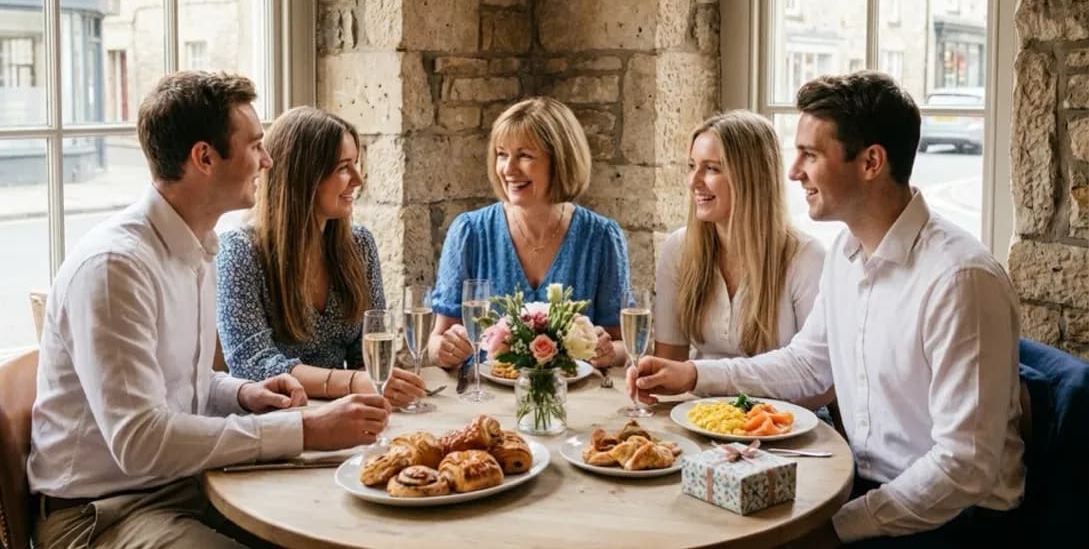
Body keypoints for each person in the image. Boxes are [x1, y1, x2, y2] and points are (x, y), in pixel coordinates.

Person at [628, 71, 1024, 547]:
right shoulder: (847, 254)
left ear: (871, 162)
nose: (793, 172)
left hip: (953, 519)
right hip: (864, 486)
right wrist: (692, 376)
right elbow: (807, 366)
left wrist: (836, 528)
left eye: (810, 155)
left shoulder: (960, 279)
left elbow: (964, 467)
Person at [28, 72, 392, 549]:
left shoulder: (197, 248)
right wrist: (301, 429)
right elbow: (141, 441)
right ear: (204, 158)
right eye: (256, 145)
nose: (267, 160)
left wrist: (242, 394)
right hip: (102, 515)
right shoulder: (116, 268)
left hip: (187, 485)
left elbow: (179, 384)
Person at [216, 106, 425, 407]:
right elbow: (253, 363)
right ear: (303, 177)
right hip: (279, 423)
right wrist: (353, 383)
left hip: (348, 411)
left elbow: (367, 355)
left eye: (356, 164)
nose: (358, 179)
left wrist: (382, 383)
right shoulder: (240, 251)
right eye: (343, 168)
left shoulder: (360, 244)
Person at [429, 96, 631, 369]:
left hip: (574, 403)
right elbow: (437, 341)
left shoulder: (602, 237)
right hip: (484, 400)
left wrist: (608, 352)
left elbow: (622, 346)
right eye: (502, 154)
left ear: (560, 161)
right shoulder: (470, 232)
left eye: (524, 155)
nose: (508, 169)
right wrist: (444, 349)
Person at [653, 110, 831, 410]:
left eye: (711, 169)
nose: (693, 181)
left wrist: (745, 419)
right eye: (692, 166)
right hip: (699, 415)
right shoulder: (679, 249)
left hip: (783, 422)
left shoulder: (806, 257)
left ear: (752, 177)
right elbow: (669, 363)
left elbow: (822, 384)